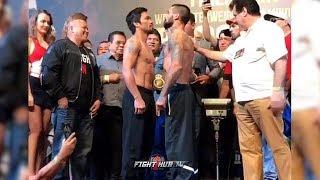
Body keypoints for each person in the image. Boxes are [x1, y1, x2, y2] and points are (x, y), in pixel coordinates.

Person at [194, 0, 291, 179]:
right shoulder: (243, 38)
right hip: (242, 103)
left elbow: (280, 60)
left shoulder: (268, 29)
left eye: (235, 14)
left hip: (264, 99)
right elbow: (223, 56)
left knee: (278, 146)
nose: (234, 19)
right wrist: (197, 48)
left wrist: (277, 91)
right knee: (249, 151)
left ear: (244, 11)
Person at [41, 12, 102, 179]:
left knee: (82, 154)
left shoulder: (90, 53)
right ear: (70, 28)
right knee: (61, 153)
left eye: (87, 27)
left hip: (87, 113)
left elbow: (96, 79)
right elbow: (46, 74)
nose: (87, 30)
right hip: (66, 111)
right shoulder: (60, 46)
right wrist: (60, 96)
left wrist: (97, 98)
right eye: (83, 27)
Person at [156, 4, 200, 180]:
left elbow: (176, 67)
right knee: (181, 141)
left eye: (167, 13)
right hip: (184, 91)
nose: (165, 16)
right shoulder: (187, 38)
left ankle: (181, 177)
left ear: (175, 17)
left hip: (177, 92)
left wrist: (163, 94)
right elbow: (189, 74)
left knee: (176, 143)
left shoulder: (176, 36)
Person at [122, 7, 156, 179]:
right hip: (137, 95)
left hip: (148, 96)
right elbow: (126, 71)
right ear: (136, 23)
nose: (151, 21)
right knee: (133, 148)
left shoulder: (147, 46)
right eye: (147, 18)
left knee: (146, 147)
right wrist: (137, 98)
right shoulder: (133, 42)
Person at [93, 31, 126, 180]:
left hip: (123, 110)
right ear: (109, 44)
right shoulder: (99, 60)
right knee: (100, 149)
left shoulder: (129, 61)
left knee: (118, 149)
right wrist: (107, 78)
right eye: (118, 42)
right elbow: (90, 82)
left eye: (123, 43)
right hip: (103, 109)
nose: (121, 45)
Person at [28, 9, 54, 176]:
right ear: (35, 23)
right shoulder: (30, 41)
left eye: (48, 22)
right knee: (36, 131)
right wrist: (28, 94)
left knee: (45, 132)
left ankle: (40, 171)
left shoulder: (51, 45)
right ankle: (30, 173)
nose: (45, 24)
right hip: (33, 86)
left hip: (48, 90)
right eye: (42, 21)